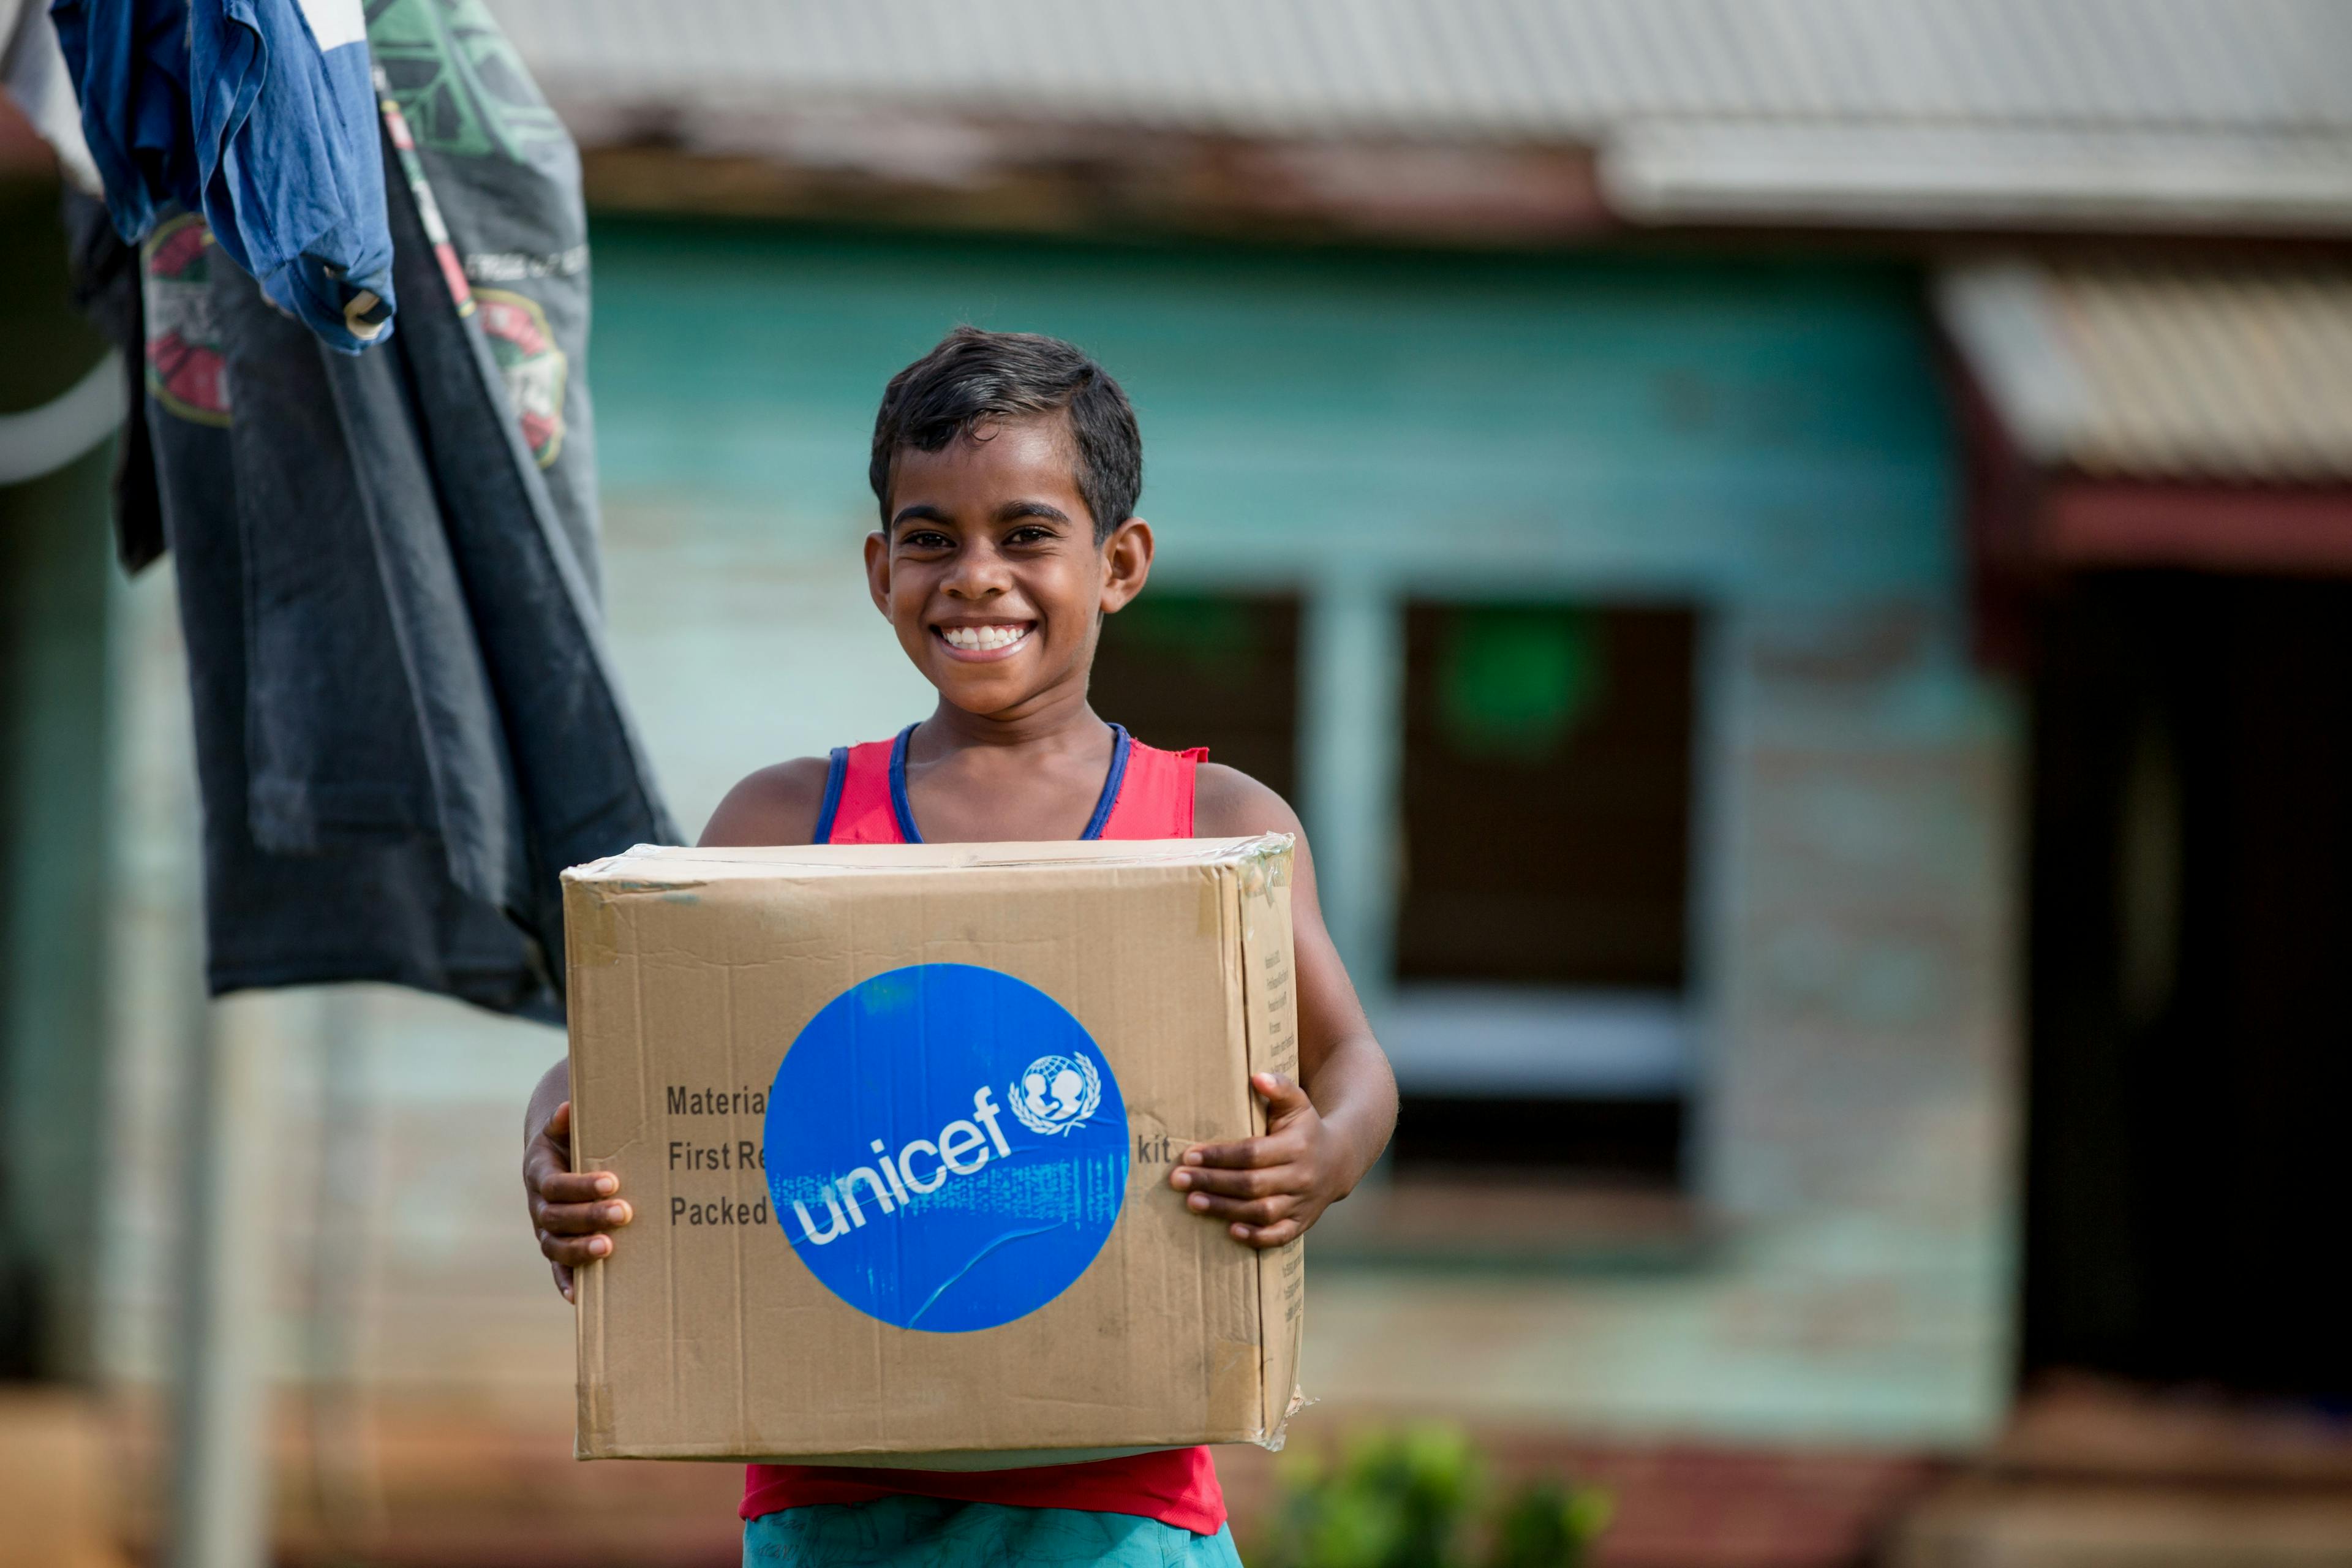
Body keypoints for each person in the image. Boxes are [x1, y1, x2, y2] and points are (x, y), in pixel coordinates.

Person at [521, 326, 1400, 1567]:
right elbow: (613, 1071)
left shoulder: (1217, 827)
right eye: (932, 538)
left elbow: (1354, 1055)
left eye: (1028, 534)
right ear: (881, 568)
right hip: (833, 1505)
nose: (975, 576)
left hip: (1119, 1504)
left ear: (1122, 562)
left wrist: (1327, 1150)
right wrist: (551, 1153)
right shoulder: (782, 823)